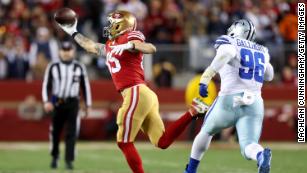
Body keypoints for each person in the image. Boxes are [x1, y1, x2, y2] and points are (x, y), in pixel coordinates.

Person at [57, 10, 208, 173]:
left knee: (123, 142)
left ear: (122, 25)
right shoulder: (110, 45)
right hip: (143, 94)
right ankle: (193, 112)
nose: (109, 26)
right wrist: (73, 32)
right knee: (162, 142)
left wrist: (131, 45)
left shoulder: (129, 37)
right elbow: (90, 46)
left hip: (135, 92)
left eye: (112, 23)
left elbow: (150, 48)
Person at [184, 19, 274, 173]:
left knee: (206, 131)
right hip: (255, 102)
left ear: (237, 30)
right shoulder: (262, 50)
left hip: (229, 100)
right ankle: (259, 156)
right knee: (248, 145)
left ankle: (190, 170)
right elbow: (269, 75)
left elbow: (227, 53)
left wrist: (206, 78)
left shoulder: (229, 42)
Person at [42, 41, 92, 170]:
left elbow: (85, 86)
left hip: (73, 102)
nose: (66, 52)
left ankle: (69, 160)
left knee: (72, 132)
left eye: (68, 50)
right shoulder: (53, 66)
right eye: (64, 50)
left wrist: (88, 104)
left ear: (73, 52)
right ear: (60, 52)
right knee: (55, 131)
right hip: (57, 101)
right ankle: (55, 156)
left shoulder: (79, 67)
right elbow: (46, 85)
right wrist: (47, 101)